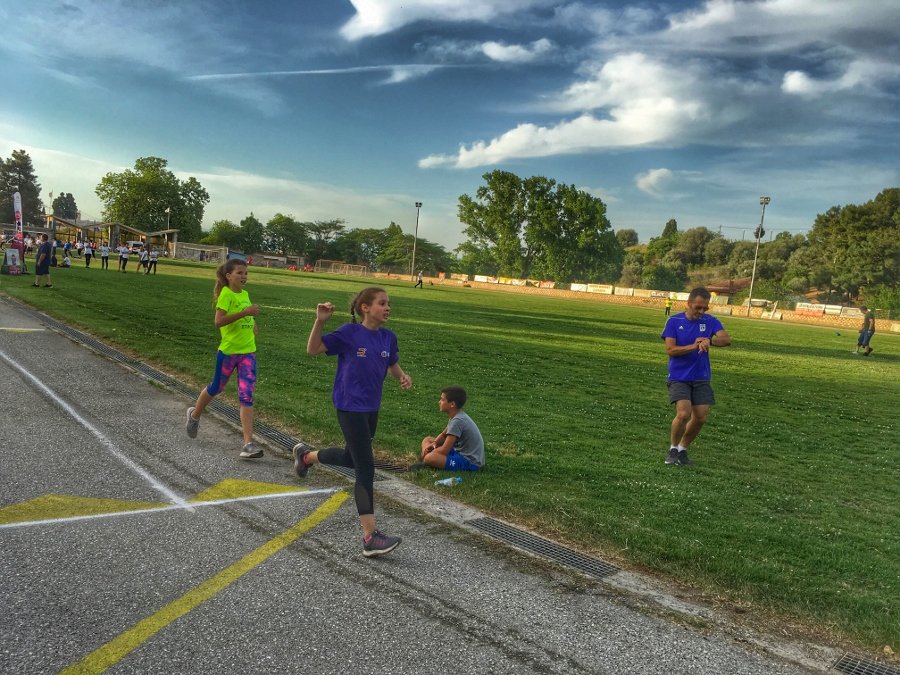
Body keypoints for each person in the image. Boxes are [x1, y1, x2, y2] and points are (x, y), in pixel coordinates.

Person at [293, 287, 413, 557]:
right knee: (365, 468)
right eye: (382, 303)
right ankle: (370, 537)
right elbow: (313, 349)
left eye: (388, 303)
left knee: (351, 458)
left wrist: (402, 376)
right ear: (365, 308)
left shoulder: (388, 338)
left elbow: (391, 363)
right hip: (349, 406)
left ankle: (306, 456)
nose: (388, 308)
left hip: (371, 409)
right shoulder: (349, 333)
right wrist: (320, 321)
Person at [185, 259, 261, 459]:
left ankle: (248, 444)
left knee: (246, 395)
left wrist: (251, 324)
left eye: (246, 273)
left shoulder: (244, 294)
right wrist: (246, 312)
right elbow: (219, 321)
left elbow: (246, 317)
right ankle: (195, 415)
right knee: (216, 387)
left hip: (248, 353)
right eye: (240, 273)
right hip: (228, 353)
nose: (244, 276)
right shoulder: (225, 295)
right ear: (229, 276)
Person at [661, 287, 731, 465]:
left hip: (701, 376)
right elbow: (670, 350)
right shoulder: (674, 321)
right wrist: (693, 346)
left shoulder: (710, 321)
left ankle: (683, 450)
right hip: (679, 376)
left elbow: (726, 339)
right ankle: (673, 449)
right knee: (684, 413)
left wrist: (711, 341)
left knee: (700, 417)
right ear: (689, 303)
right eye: (698, 307)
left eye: (705, 308)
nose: (701, 311)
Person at [412, 386, 484, 472]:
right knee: (428, 440)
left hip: (469, 462)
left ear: (452, 404)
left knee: (430, 458)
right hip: (458, 452)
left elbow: (444, 450)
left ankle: (426, 459)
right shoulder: (457, 416)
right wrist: (434, 443)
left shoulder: (458, 421)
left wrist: (433, 453)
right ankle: (426, 458)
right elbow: (443, 435)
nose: (439, 402)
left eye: (442, 400)